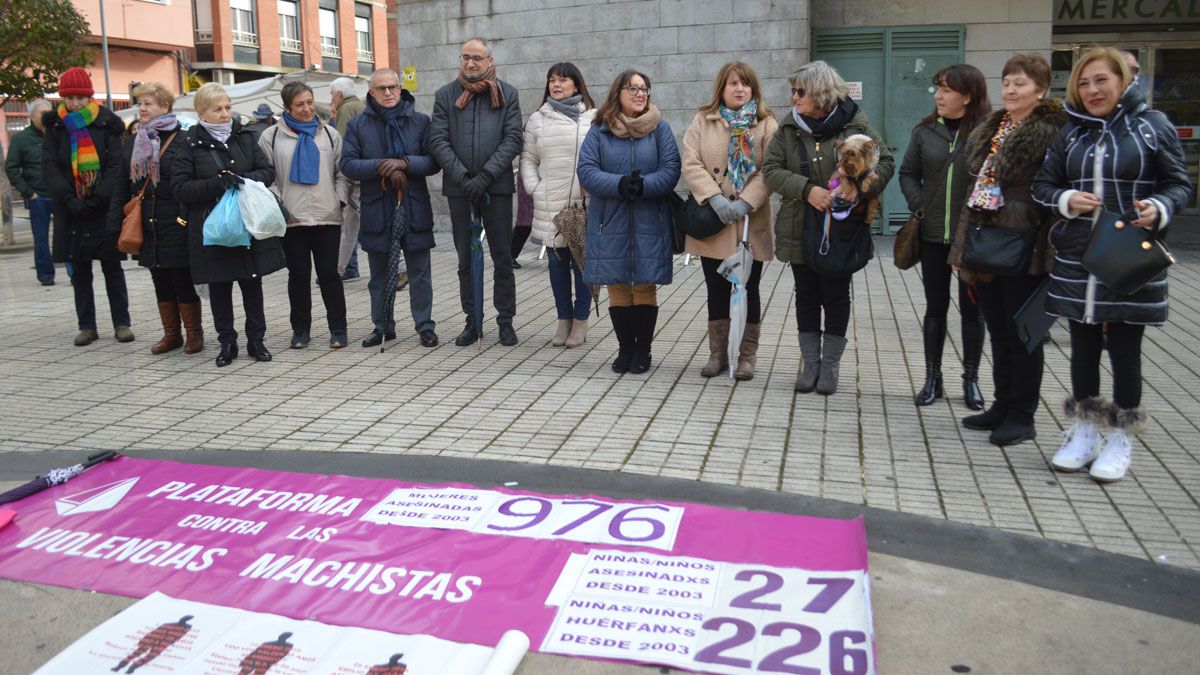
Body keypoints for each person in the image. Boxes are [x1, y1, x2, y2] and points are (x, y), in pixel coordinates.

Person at [1033, 47, 1192, 482]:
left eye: (1101, 80)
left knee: (1125, 349)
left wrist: (1159, 207)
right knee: (1082, 347)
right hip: (1079, 254)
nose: (1092, 90)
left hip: (1128, 253)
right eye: (1083, 83)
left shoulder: (1151, 126)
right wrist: (1066, 199)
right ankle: (1085, 430)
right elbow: (1043, 185)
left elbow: (1179, 184)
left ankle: (1121, 438)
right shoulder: (1071, 132)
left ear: (1123, 80)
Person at [947, 53, 1067, 446]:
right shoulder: (994, 126)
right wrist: (960, 250)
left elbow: (1051, 192)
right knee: (997, 328)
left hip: (1025, 244)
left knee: (1023, 336)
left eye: (1021, 83)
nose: (1011, 90)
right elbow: (975, 191)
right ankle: (1001, 404)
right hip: (985, 241)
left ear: (1041, 89)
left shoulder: (1053, 131)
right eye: (1008, 83)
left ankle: (1022, 414)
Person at [763, 60, 894, 395]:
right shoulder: (790, 128)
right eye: (794, 91)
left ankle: (830, 367)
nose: (794, 98)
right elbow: (771, 170)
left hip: (842, 229)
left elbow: (886, 161)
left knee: (835, 296)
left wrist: (861, 184)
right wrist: (808, 189)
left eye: (800, 91)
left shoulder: (855, 123)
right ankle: (811, 366)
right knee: (806, 295)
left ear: (821, 93)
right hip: (799, 224)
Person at [174, 82, 286, 367]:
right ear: (201, 112)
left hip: (247, 222)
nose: (225, 114)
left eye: (227, 107)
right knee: (219, 286)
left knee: (252, 283)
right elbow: (181, 189)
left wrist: (245, 179)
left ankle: (256, 341)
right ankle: (227, 343)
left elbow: (268, 172)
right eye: (218, 109)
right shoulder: (189, 143)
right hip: (214, 227)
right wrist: (217, 183)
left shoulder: (245, 136)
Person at [577, 69, 681, 374]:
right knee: (619, 285)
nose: (640, 94)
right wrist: (620, 184)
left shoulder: (659, 128)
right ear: (618, 93)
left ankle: (643, 351)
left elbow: (671, 168)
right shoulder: (601, 129)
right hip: (610, 219)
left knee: (645, 285)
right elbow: (587, 170)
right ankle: (625, 349)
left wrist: (645, 185)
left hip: (650, 217)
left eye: (644, 88)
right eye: (633, 88)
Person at [899, 64, 991, 409]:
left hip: (972, 237)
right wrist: (920, 202)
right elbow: (908, 172)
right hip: (934, 234)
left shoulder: (987, 133)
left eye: (947, 90)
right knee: (935, 307)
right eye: (937, 88)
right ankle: (932, 378)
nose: (938, 95)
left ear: (967, 96)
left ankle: (971, 380)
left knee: (973, 311)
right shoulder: (925, 132)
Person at [682, 61, 779, 380]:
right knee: (716, 288)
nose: (740, 89)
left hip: (750, 222)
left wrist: (746, 201)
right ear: (721, 89)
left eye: (745, 84)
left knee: (748, 287)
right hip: (715, 219)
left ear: (754, 89)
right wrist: (715, 197)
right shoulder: (703, 119)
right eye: (733, 84)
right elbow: (691, 163)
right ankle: (718, 354)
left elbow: (771, 169)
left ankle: (747, 356)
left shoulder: (766, 123)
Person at [429, 37, 523, 346]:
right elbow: (438, 141)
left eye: (477, 58)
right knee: (465, 259)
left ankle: (505, 321)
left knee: (502, 257)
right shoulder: (445, 95)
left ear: (489, 62)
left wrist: (484, 176)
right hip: (459, 190)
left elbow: (512, 139)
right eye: (465, 57)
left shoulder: (507, 94)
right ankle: (472, 321)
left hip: (495, 187)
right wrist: (462, 176)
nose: (470, 63)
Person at [341, 68, 441, 349]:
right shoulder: (358, 125)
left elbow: (433, 161)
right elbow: (347, 163)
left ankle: (425, 326)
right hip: (377, 208)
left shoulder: (420, 122)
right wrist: (381, 166)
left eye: (392, 87)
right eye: (381, 88)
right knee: (379, 276)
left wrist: (406, 163)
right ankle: (383, 326)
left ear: (400, 89)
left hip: (414, 205)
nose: (388, 93)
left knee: (420, 273)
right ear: (371, 92)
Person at [107, 82, 204, 356]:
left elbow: (190, 181)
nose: (143, 108)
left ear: (165, 106)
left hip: (176, 220)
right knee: (159, 278)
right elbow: (121, 186)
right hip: (147, 222)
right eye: (140, 104)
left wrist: (186, 218)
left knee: (181, 277)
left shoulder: (184, 139)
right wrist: (114, 223)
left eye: (148, 103)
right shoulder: (134, 143)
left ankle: (194, 334)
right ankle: (171, 334)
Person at [41, 67, 133, 346]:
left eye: (81, 97)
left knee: (112, 268)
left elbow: (117, 165)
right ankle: (87, 326)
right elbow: (49, 166)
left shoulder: (108, 123)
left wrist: (98, 198)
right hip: (71, 208)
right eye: (70, 98)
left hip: (102, 207)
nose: (76, 103)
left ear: (89, 96)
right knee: (80, 270)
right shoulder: (55, 127)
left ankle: (121, 323)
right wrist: (69, 199)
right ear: (63, 98)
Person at [260, 81, 350, 349]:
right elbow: (267, 176)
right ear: (287, 107)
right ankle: (300, 330)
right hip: (292, 219)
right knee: (298, 276)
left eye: (309, 102)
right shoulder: (271, 137)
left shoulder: (330, 134)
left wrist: (339, 199)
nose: (307, 108)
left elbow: (342, 172)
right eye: (299, 104)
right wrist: (280, 204)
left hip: (327, 217)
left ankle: (338, 329)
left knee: (329, 276)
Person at [520, 62, 597, 348]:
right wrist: (534, 187)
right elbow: (528, 159)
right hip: (550, 202)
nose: (557, 85)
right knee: (557, 265)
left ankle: (581, 320)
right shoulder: (538, 119)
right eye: (552, 80)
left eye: (563, 80)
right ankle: (563, 318)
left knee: (583, 265)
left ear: (577, 84)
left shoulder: (594, 117)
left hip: (584, 204)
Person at [5, 99, 57, 285]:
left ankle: (74, 272)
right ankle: (45, 275)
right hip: (38, 196)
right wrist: (28, 192)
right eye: (42, 113)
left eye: (49, 112)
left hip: (60, 194)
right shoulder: (21, 139)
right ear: (31, 116)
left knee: (67, 234)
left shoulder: (58, 134)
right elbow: (11, 167)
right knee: (41, 238)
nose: (46, 116)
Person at [331, 76, 366, 282]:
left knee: (354, 227)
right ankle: (338, 269)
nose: (331, 98)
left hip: (355, 179)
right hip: (360, 176)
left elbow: (342, 145)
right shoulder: (359, 106)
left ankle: (400, 267)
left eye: (331, 94)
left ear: (338, 93)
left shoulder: (346, 109)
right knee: (349, 227)